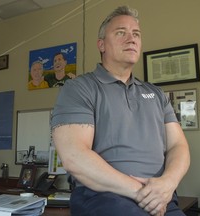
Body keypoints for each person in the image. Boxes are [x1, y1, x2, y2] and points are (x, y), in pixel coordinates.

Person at [51, 5, 190, 216]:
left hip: (160, 199)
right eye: (120, 33)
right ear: (101, 45)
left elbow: (179, 146)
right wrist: (142, 192)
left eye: (136, 34)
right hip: (105, 198)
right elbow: (73, 156)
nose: (131, 38)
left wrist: (168, 183)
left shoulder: (157, 94)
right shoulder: (79, 88)